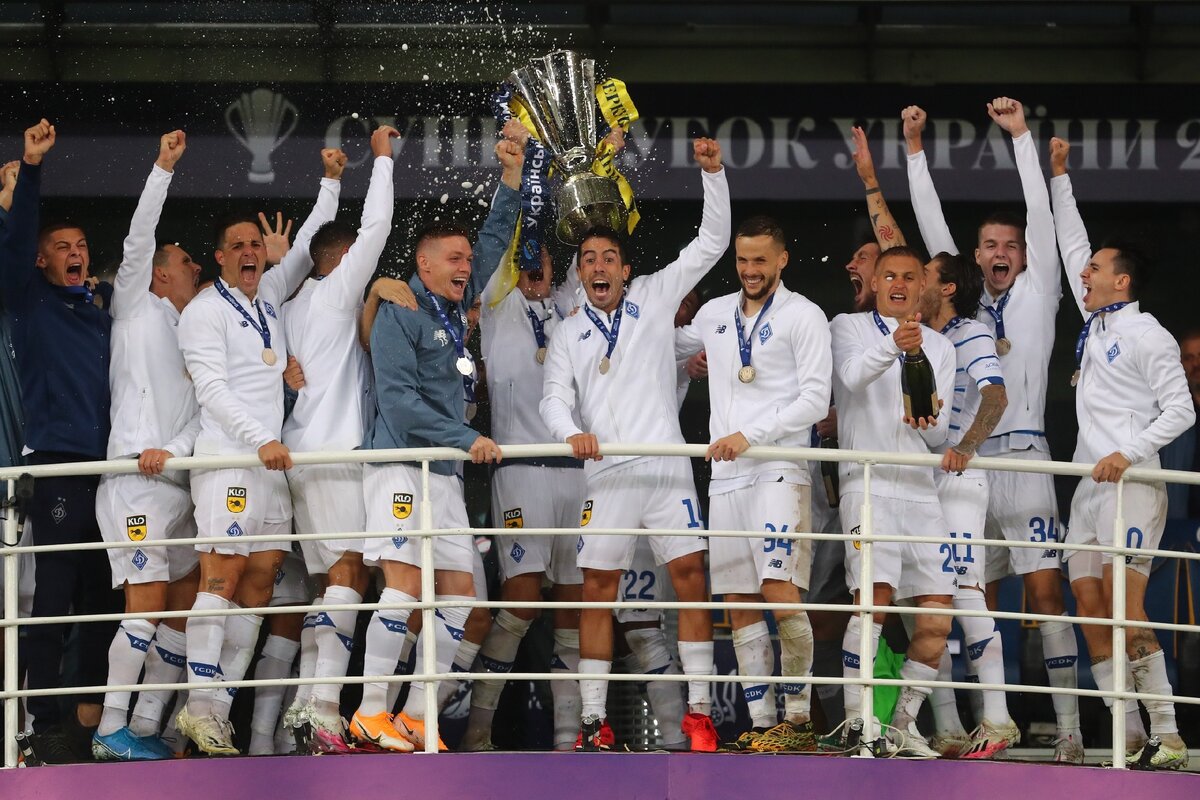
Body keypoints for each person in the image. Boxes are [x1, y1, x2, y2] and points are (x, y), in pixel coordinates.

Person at [904, 98, 1085, 762]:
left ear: (1024, 254)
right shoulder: (966, 308)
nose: (1000, 253)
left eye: (1010, 246)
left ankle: (1068, 730)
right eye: (989, 246)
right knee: (972, 594)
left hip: (1028, 457)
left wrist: (1021, 139)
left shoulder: (1041, 291)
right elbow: (932, 232)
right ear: (976, 257)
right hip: (970, 463)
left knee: (1045, 596)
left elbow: (1040, 213)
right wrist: (914, 153)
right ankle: (980, 725)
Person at [540, 137, 730, 752]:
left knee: (691, 580)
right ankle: (594, 721)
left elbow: (711, 243)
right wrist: (570, 433)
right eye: (588, 260)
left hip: (668, 472)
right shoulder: (568, 333)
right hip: (608, 476)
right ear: (580, 273)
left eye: (609, 258)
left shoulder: (654, 296)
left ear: (625, 269)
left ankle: (699, 714)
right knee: (597, 592)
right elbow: (552, 400)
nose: (598, 267)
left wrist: (713, 174)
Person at [348, 136, 523, 753]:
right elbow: (398, 404)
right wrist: (469, 436)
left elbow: (496, 239)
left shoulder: (453, 306)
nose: (466, 266)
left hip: (442, 474)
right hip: (400, 464)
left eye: (466, 259)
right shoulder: (401, 309)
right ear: (424, 266)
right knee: (402, 587)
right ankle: (370, 712)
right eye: (454, 258)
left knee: (459, 597)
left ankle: (418, 716)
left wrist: (511, 176)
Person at [175, 146, 346, 755]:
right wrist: (261, 439)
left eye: (256, 244)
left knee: (258, 587)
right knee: (220, 580)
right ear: (220, 258)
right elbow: (213, 391)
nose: (251, 252)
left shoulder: (269, 293)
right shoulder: (203, 313)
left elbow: (303, 251)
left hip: (270, 467)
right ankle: (198, 707)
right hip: (230, 459)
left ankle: (216, 715)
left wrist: (330, 182)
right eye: (238, 246)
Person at [1050, 136, 1195, 770]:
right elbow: (1071, 244)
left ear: (1121, 281)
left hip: (1131, 484)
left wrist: (1127, 455)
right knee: (1088, 607)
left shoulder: (1146, 332)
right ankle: (1129, 735)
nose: (1083, 273)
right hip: (1089, 487)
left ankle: (1169, 735)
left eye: (1095, 269)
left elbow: (1182, 410)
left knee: (1123, 607)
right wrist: (1059, 174)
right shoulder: (1097, 324)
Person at [675, 215, 831, 752]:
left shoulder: (805, 315)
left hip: (778, 468)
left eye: (760, 260)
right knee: (739, 600)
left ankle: (799, 719)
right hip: (726, 476)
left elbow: (815, 399)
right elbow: (663, 344)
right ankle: (764, 723)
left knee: (778, 588)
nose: (750, 270)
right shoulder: (715, 313)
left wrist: (749, 436)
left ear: (782, 259)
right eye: (742, 260)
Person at [0, 119, 122, 762]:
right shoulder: (28, 299)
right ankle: (40, 721)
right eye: (61, 247)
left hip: (109, 470)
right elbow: (18, 239)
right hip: (55, 465)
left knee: (102, 598)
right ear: (41, 260)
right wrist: (31, 169)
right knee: (52, 597)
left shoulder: (98, 313)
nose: (75, 253)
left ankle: (86, 718)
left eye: (81, 245)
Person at [279, 125, 404, 752]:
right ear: (343, 257)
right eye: (358, 258)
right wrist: (381, 162)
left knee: (327, 584)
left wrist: (330, 184)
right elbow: (377, 228)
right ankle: (326, 710)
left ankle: (308, 707)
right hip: (334, 456)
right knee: (350, 574)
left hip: (302, 459)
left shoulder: (286, 307)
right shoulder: (332, 295)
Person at [91, 130, 203, 761]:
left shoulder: (195, 329)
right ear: (161, 274)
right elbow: (138, 241)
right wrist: (162, 169)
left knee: (181, 610)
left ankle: (148, 726)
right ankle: (110, 726)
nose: (196, 269)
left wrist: (176, 450)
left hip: (178, 483)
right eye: (187, 262)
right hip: (135, 482)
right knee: (147, 605)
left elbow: (198, 415)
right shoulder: (135, 306)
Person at [828, 245, 956, 757]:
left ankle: (902, 725)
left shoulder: (941, 347)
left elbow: (938, 434)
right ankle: (860, 724)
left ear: (923, 285)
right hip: (868, 486)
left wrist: (928, 419)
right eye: (889, 276)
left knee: (937, 618)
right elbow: (851, 377)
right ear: (876, 283)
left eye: (908, 277)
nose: (899, 284)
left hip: (922, 491)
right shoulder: (847, 327)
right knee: (872, 605)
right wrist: (895, 345)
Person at [461, 240, 587, 753]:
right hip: (519, 469)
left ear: (556, 267)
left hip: (577, 470)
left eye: (543, 259)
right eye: (524, 258)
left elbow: (593, 243)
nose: (534, 266)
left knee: (574, 611)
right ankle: (477, 732)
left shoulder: (572, 303)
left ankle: (568, 742)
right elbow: (501, 245)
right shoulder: (498, 301)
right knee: (522, 602)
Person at [914, 251, 1019, 758]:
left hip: (958, 479)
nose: (915, 282)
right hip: (922, 481)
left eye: (924, 275)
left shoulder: (972, 333)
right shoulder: (919, 335)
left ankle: (998, 719)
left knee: (965, 593)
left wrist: (966, 448)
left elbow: (996, 396)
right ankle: (950, 727)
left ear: (947, 287)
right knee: (927, 600)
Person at [1160, 329, 1200, 518]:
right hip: (1178, 521)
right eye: (1189, 358)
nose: (1196, 364)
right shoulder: (1168, 410)